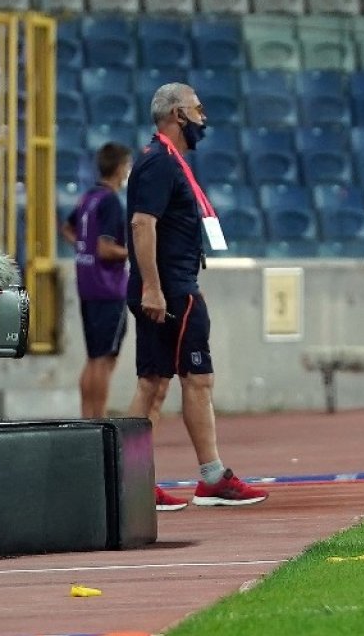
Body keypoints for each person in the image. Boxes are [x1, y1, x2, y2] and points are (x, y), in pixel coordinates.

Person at [126, 83, 267, 512]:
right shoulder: (159, 164)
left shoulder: (169, 163)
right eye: (197, 110)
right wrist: (153, 287)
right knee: (170, 383)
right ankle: (185, 478)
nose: (203, 118)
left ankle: (166, 480)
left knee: (167, 382)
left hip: (174, 288)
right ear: (176, 115)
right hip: (170, 291)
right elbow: (141, 225)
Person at [62, 142, 133, 419]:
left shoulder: (88, 198)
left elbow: (67, 228)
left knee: (93, 358)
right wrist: (133, 253)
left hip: (88, 285)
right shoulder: (111, 201)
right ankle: (99, 420)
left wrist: (83, 248)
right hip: (108, 288)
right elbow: (105, 248)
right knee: (104, 360)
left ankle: (86, 418)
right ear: (119, 169)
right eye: (127, 166)